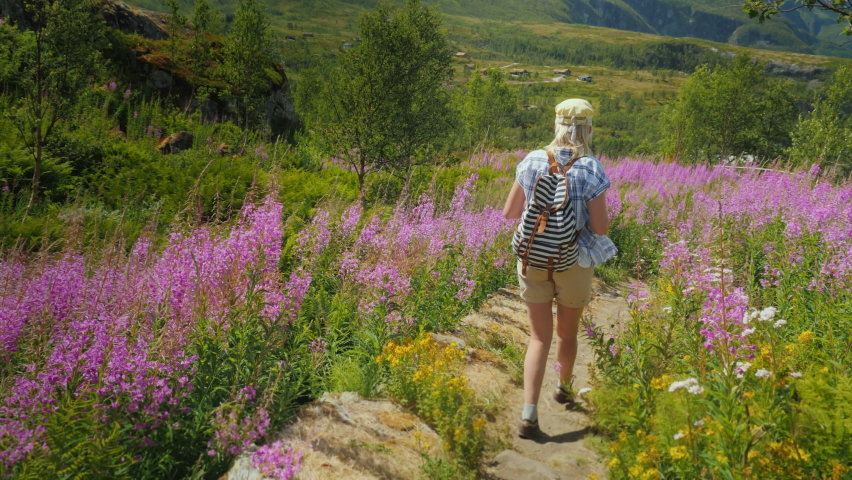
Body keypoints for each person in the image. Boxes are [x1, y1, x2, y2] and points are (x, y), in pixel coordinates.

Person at [502, 98, 616, 439]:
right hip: (572, 262)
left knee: (538, 337)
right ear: (589, 129)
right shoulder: (592, 168)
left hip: (532, 257)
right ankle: (564, 388)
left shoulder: (533, 159)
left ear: (556, 125)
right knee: (567, 334)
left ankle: (528, 414)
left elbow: (510, 212)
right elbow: (600, 229)